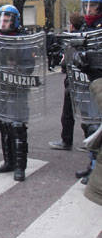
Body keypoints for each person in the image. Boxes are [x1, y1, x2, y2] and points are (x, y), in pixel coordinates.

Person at [0, 5, 34, 181]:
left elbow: (29, 67)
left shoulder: (23, 40)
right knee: (4, 125)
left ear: (15, 21)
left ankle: (20, 167)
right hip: (0, 89)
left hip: (17, 89)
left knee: (17, 127)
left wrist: (14, 66)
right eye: (2, 19)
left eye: (7, 19)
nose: (4, 23)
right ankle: (8, 161)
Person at [72, 0, 102, 185]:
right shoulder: (84, 28)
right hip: (85, 84)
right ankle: (91, 165)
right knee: (87, 125)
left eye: (93, 5)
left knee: (97, 128)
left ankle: (96, 171)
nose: (88, 9)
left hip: (99, 83)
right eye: (86, 5)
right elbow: (74, 49)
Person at [49, 12, 84, 152]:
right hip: (86, 81)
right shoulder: (88, 35)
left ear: (72, 25)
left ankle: (66, 140)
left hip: (74, 80)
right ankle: (91, 141)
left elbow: (65, 63)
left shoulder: (73, 39)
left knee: (68, 114)